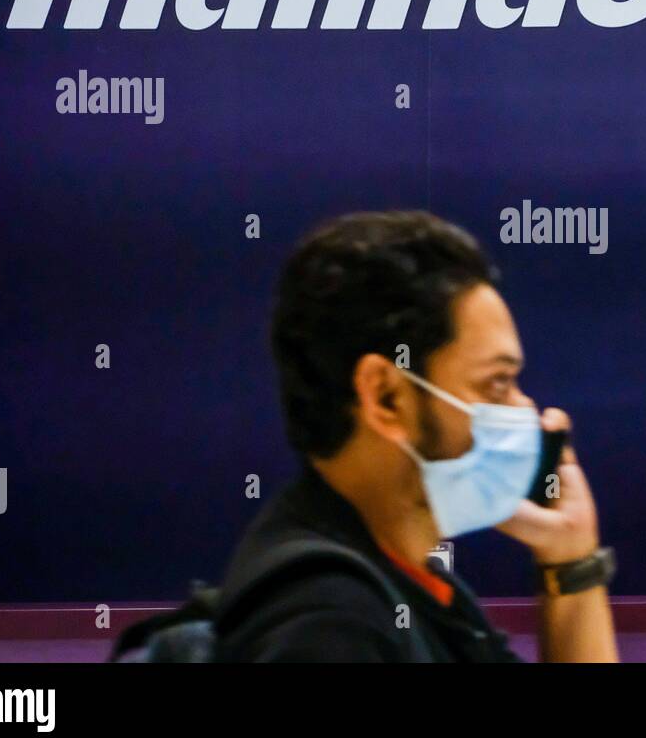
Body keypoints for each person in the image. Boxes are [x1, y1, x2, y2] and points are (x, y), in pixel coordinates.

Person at [215, 210, 619, 661]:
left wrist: (570, 557)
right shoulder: (328, 623)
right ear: (387, 397)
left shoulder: (411, 585)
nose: (527, 411)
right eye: (497, 383)